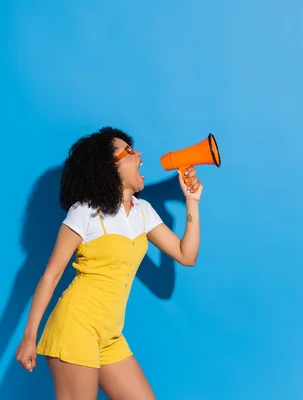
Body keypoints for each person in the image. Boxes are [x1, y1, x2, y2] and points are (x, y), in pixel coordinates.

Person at [14, 127, 202, 399]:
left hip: (110, 336)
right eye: (129, 151)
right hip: (75, 329)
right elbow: (50, 276)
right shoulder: (85, 211)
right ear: (108, 168)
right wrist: (29, 337)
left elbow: (187, 255)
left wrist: (191, 202)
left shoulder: (143, 211)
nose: (139, 154)